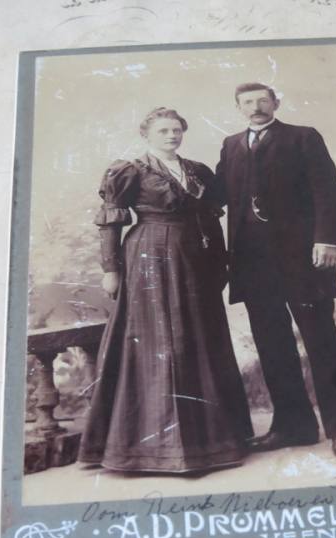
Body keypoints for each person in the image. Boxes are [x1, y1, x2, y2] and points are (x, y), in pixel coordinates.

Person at [78, 107, 253, 473]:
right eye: (163, 131)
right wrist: (111, 269)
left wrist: (220, 260)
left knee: (197, 337)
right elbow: (110, 223)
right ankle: (149, 446)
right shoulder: (130, 171)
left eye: (176, 130)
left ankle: (210, 441)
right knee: (160, 340)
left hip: (195, 257)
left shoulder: (197, 171)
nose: (172, 136)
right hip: (150, 255)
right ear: (147, 135)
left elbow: (210, 216)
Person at [214, 83, 336, 459]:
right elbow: (215, 195)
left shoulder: (303, 137)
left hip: (303, 259)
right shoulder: (231, 146)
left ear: (276, 103)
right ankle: (294, 427)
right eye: (248, 102)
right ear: (238, 108)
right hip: (253, 263)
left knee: (321, 341)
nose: (256, 107)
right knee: (272, 344)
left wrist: (327, 239)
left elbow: (328, 191)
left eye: (263, 100)